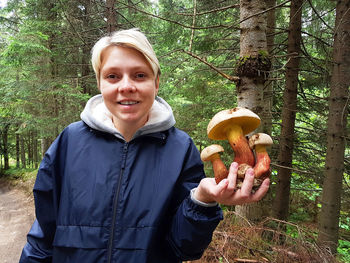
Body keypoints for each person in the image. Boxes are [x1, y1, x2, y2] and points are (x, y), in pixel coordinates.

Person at [20, 28, 269, 263]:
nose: (127, 86)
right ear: (100, 83)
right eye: (112, 76)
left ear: (156, 82)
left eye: (139, 75)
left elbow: (184, 248)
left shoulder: (180, 148)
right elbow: (43, 235)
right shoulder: (69, 142)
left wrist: (202, 201)